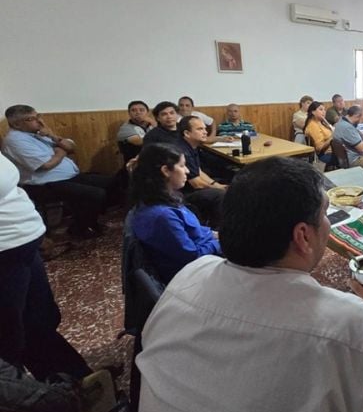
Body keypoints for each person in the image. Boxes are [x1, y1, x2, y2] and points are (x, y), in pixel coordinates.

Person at [137, 157, 363, 412]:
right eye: (326, 213)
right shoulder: (357, 326)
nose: (328, 223)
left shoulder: (189, 276)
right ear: (303, 236)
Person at [0, 151, 92, 381]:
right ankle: (23, 400)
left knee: (41, 319)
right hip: (4, 254)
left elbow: (11, 190)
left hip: (22, 243)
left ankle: (75, 382)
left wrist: (35, 230)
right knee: (9, 335)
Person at [2, 105, 115, 238]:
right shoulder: (15, 140)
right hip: (42, 185)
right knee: (95, 193)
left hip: (67, 177)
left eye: (38, 116)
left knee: (112, 183)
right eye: (32, 119)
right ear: (17, 124)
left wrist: (52, 135)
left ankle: (88, 221)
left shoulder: (39, 133)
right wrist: (62, 151)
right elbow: (46, 165)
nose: (39, 121)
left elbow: (71, 146)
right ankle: (79, 229)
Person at [129, 144, 221, 283]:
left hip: (205, 255)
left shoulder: (164, 200)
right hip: (194, 274)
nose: (187, 171)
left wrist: (217, 234)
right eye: (182, 166)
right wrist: (223, 243)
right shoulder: (162, 216)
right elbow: (192, 257)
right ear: (166, 170)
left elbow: (195, 231)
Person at [173, 116, 227, 228]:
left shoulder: (191, 146)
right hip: (182, 194)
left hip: (189, 188)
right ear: (187, 133)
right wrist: (219, 189)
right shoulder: (182, 151)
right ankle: (217, 230)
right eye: (200, 129)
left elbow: (198, 171)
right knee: (220, 195)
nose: (205, 132)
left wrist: (218, 185)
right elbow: (196, 183)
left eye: (204, 128)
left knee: (224, 183)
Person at [304, 101, 336, 165]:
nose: (324, 112)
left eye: (324, 110)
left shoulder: (321, 122)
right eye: (321, 109)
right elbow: (319, 147)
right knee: (349, 155)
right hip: (325, 155)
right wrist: (333, 136)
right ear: (313, 112)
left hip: (333, 151)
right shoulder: (313, 125)